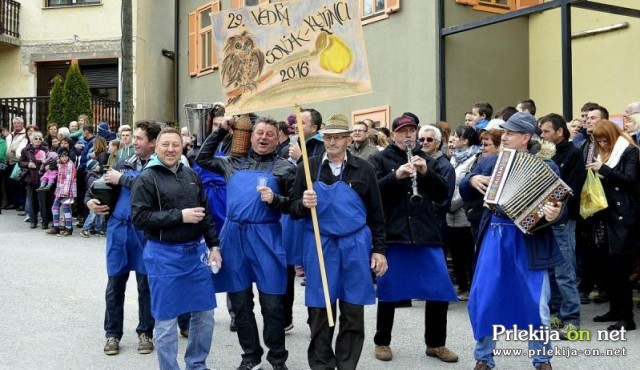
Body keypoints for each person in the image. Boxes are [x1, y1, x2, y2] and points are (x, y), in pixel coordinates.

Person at [460, 112, 564, 370]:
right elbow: (464, 189)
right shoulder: (492, 162)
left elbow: (558, 205)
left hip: (528, 240)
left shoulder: (548, 166)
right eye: (504, 133)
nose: (503, 137)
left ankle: (542, 359)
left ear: (525, 138)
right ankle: (483, 357)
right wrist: (471, 180)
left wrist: (554, 212)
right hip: (494, 235)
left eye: (509, 133)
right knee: (485, 298)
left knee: (536, 301)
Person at [286, 114, 388, 370]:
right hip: (320, 245)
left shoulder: (363, 169)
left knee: (353, 311)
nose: (331, 142)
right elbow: (292, 208)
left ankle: (346, 365)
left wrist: (379, 250)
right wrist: (302, 203)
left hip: (355, 245)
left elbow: (376, 213)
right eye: (327, 137)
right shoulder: (306, 169)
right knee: (320, 310)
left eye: (337, 137)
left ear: (347, 139)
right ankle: (321, 365)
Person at [196, 117, 295, 370]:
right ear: (250, 136)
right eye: (259, 133)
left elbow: (296, 207)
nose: (263, 138)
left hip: (267, 237)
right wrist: (220, 130)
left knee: (272, 304)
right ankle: (250, 355)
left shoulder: (285, 168)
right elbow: (202, 158)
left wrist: (275, 201)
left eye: (269, 134)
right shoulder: (233, 161)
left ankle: (277, 358)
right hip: (234, 236)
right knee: (240, 303)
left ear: (277, 138)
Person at [370, 114, 458, 363]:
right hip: (394, 234)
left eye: (411, 130)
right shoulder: (379, 159)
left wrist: (426, 173)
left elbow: (444, 195)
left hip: (426, 233)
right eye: (402, 131)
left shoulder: (429, 160)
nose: (407, 135)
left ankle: (436, 344)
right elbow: (371, 193)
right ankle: (382, 342)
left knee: (438, 289)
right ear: (393, 134)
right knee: (388, 290)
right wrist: (395, 177)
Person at [131, 127, 222, 369]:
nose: (171, 149)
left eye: (176, 145)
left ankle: (196, 364)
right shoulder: (146, 178)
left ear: (183, 147)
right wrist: (179, 216)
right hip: (163, 255)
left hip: (196, 255)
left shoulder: (191, 174)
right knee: (166, 321)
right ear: (156, 147)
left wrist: (214, 246)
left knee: (205, 315)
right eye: (166, 145)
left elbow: (206, 214)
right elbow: (140, 219)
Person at [86, 120, 160, 356]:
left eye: (139, 138)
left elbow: (154, 187)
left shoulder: (161, 166)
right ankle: (112, 335)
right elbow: (97, 181)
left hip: (144, 233)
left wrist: (122, 179)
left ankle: (145, 332)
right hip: (119, 231)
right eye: (134, 137)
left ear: (152, 142)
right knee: (115, 284)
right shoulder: (123, 163)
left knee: (145, 285)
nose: (134, 142)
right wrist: (90, 201)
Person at [539, 113, 587, 339]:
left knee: (564, 270)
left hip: (563, 219)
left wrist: (557, 208)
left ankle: (572, 318)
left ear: (560, 131)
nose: (542, 135)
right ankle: (556, 311)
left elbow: (572, 189)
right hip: (542, 219)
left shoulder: (574, 154)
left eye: (546, 131)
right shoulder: (541, 153)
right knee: (549, 269)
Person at [588, 120, 639, 331]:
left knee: (621, 268)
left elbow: (630, 179)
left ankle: (627, 318)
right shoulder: (605, 154)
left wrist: (603, 169)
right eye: (598, 141)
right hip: (607, 215)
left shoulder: (628, 151)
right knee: (609, 268)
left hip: (624, 216)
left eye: (604, 140)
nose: (602, 144)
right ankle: (615, 310)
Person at [446, 126, 481, 301]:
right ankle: (461, 285)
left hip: (463, 211)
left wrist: (453, 204)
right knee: (455, 252)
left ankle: (470, 286)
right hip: (449, 211)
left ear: (466, 140)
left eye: (456, 136)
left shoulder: (475, 158)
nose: (453, 139)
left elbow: (466, 185)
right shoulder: (454, 158)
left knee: (467, 252)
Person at [19, 131, 50, 229]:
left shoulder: (46, 150)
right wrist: (27, 164)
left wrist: (46, 165)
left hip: (42, 178)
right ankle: (33, 221)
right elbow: (20, 162)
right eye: (35, 138)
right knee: (32, 201)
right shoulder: (26, 150)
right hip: (30, 178)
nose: (38, 140)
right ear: (31, 140)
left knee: (43, 201)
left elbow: (51, 161)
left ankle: (45, 222)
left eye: (40, 138)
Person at [46, 147, 77, 236]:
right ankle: (56, 227)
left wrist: (65, 192)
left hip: (68, 190)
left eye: (66, 156)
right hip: (60, 190)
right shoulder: (59, 164)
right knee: (54, 208)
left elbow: (69, 179)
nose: (64, 158)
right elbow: (59, 179)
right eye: (62, 156)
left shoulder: (70, 165)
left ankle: (69, 228)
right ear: (59, 157)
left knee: (65, 208)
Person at [4, 117, 27, 211]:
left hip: (18, 162)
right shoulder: (11, 134)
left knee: (18, 183)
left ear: (22, 124)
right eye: (15, 123)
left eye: (18, 123)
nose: (16, 125)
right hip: (9, 161)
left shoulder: (24, 134)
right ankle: (14, 202)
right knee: (10, 183)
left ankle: (21, 203)